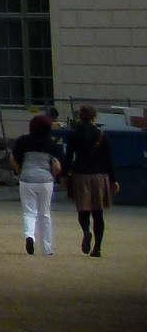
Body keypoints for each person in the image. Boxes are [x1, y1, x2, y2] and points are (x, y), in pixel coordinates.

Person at [10, 111, 66, 255]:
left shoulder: (23, 141)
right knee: (45, 214)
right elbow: (57, 166)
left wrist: (20, 172)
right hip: (45, 180)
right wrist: (52, 177)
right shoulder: (51, 143)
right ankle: (47, 249)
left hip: (26, 179)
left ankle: (29, 235)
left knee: (29, 212)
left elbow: (13, 159)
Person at [65, 105, 114, 258]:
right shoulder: (101, 135)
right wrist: (114, 180)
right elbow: (109, 159)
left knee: (83, 210)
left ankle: (86, 231)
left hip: (80, 176)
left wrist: (65, 174)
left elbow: (68, 157)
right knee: (98, 214)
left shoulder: (74, 134)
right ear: (94, 117)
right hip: (99, 176)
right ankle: (97, 248)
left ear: (79, 116)